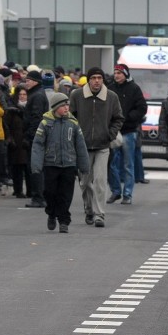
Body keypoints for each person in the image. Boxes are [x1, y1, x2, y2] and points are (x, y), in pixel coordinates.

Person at [69, 67, 123, 228]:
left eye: (99, 77)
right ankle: (88, 209)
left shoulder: (111, 97)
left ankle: (100, 214)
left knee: (100, 180)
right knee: (84, 182)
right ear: (89, 80)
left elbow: (118, 118)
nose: (97, 81)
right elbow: (70, 117)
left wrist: (110, 134)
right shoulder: (77, 95)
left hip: (102, 145)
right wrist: (76, 136)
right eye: (93, 78)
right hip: (83, 146)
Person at [31, 93, 89, 234]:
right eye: (63, 105)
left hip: (69, 164)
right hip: (51, 164)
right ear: (56, 107)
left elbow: (80, 145)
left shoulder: (73, 123)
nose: (66, 108)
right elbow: (38, 144)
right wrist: (36, 165)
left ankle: (64, 221)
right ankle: (51, 214)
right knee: (50, 192)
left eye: (67, 105)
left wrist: (84, 165)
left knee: (65, 194)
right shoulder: (46, 123)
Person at [107, 64, 148, 205]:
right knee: (111, 163)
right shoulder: (110, 88)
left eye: (119, 72)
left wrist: (130, 117)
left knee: (128, 164)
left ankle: (128, 194)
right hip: (113, 131)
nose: (116, 75)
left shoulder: (134, 88)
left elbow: (142, 107)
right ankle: (115, 191)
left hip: (129, 131)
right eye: (115, 72)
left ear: (125, 74)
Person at [22, 70, 49, 208]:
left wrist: (30, 136)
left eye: (28, 80)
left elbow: (36, 117)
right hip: (37, 135)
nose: (26, 83)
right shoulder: (36, 93)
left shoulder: (37, 95)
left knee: (35, 167)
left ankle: (38, 197)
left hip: (35, 137)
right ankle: (40, 195)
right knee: (37, 166)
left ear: (36, 81)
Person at [5, 85, 31, 199]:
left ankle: (31, 190)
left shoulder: (31, 108)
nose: (22, 96)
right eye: (20, 94)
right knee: (17, 168)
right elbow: (6, 125)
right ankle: (18, 190)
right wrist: (10, 138)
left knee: (29, 168)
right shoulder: (12, 110)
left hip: (27, 141)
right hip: (16, 142)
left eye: (25, 94)